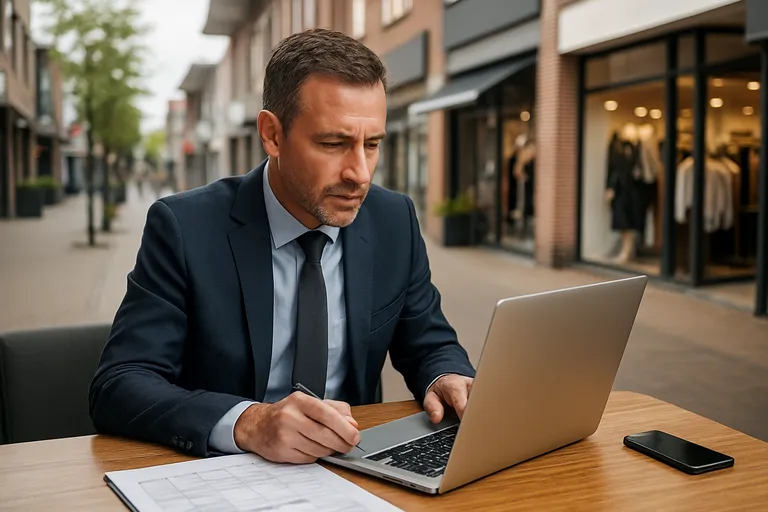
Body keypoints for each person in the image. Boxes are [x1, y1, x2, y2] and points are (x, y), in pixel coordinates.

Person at [89, 29, 475, 465]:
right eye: (334, 144)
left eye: (372, 145)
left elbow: (427, 340)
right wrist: (249, 422)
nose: (360, 173)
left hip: (356, 467)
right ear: (272, 134)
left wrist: (447, 374)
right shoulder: (183, 228)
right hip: (223, 475)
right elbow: (120, 384)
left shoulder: (393, 220)